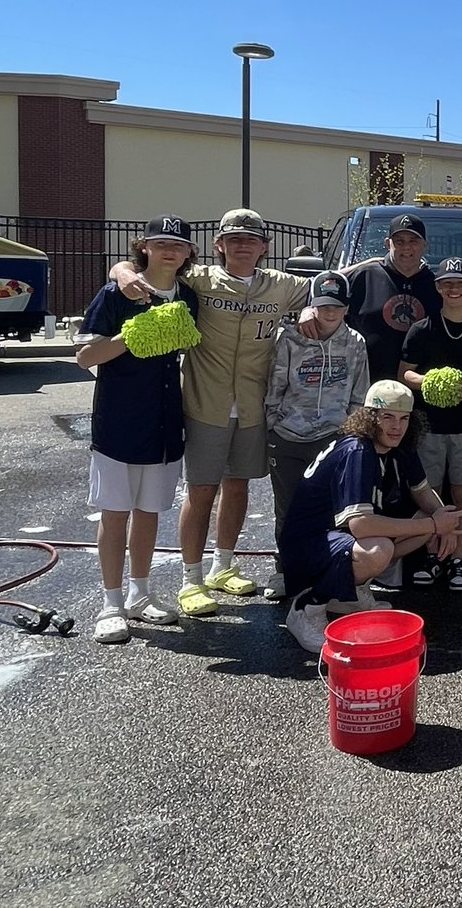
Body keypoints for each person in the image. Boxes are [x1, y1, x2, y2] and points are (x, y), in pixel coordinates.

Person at [112, 208, 314, 616]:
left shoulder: (282, 286)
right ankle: (191, 579)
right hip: (206, 403)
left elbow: (335, 284)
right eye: (234, 239)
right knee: (201, 490)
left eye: (251, 240)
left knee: (238, 486)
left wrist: (311, 307)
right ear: (219, 244)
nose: (243, 246)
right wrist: (121, 271)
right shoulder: (198, 279)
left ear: (265, 247)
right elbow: (141, 267)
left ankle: (223, 565)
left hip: (253, 405)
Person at [76, 216, 199, 643]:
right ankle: (111, 604)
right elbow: (84, 357)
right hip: (119, 419)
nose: (169, 251)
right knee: (115, 513)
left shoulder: (188, 296)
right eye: (160, 243)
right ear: (143, 246)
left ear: (189, 252)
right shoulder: (116, 292)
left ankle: (139, 594)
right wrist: (132, 335)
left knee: (149, 512)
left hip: (165, 419)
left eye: (178, 245)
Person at [279, 380, 462, 652]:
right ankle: (306, 607)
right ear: (370, 417)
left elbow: (422, 491)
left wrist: (443, 521)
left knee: (421, 523)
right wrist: (433, 524)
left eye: (404, 418)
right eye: (387, 417)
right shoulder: (357, 450)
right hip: (307, 546)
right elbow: (361, 525)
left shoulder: (400, 443)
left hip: (333, 538)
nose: (397, 426)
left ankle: (348, 594)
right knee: (377, 550)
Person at [263, 270, 370, 600]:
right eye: (323, 306)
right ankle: (285, 571)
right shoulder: (290, 339)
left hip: (332, 438)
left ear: (346, 308)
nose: (330, 313)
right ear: (312, 306)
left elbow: (359, 393)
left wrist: (348, 434)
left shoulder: (355, 343)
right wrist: (274, 425)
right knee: (288, 509)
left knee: (332, 510)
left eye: (336, 307)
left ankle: (329, 571)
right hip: (289, 436)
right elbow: (275, 386)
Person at [398, 257, 462, 592]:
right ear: (438, 288)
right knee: (431, 494)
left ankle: (457, 559)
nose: (453, 289)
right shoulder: (422, 329)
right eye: (447, 283)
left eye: (460, 283)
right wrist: (428, 381)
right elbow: (404, 373)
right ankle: (432, 557)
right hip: (428, 427)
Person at [344, 213, 441, 381]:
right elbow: (324, 298)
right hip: (365, 383)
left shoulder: (437, 286)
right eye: (399, 241)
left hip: (418, 385)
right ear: (388, 244)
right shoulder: (364, 276)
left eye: (413, 241)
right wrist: (309, 312)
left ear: (425, 245)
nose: (406, 247)